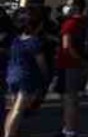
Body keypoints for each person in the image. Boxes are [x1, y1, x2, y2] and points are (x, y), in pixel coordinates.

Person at [6, 9, 46, 137]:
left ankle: (9, 132)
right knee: (18, 110)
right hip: (26, 77)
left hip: (12, 75)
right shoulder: (34, 42)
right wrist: (45, 76)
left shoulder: (16, 40)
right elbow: (41, 63)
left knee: (13, 108)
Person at [56, 0, 88, 137]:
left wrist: (77, 58)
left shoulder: (70, 23)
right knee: (73, 98)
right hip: (79, 64)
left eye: (69, 4)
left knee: (68, 98)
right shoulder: (86, 22)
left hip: (68, 64)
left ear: (76, 7)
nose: (66, 7)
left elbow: (67, 46)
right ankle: (70, 127)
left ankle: (69, 130)